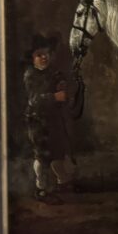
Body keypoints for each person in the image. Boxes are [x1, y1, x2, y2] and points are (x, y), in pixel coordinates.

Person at [23, 33, 74, 202]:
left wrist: (63, 87)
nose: (44, 57)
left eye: (46, 54)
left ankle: (63, 181)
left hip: (53, 120)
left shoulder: (53, 73)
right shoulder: (31, 75)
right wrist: (54, 97)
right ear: (32, 59)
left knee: (58, 152)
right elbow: (34, 100)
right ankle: (42, 188)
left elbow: (63, 90)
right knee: (42, 155)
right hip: (38, 121)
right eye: (39, 55)